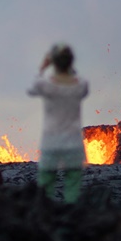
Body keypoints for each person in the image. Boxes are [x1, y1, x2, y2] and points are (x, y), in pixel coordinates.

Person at [27, 43, 89, 203]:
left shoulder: (46, 85)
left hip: (51, 142)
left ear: (53, 63)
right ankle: (70, 221)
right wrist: (69, 68)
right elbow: (81, 83)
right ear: (71, 62)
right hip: (74, 144)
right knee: (73, 188)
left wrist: (42, 68)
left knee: (46, 187)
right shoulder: (81, 85)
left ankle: (45, 222)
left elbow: (31, 89)